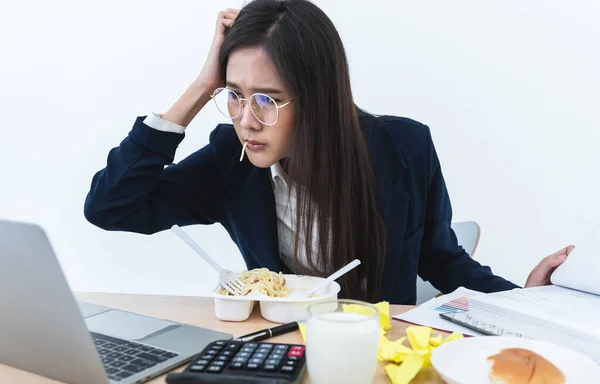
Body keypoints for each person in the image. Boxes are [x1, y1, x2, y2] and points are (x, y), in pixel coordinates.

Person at [83, 0, 573, 304]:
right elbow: (112, 207)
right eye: (233, 94)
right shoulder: (231, 159)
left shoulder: (404, 147)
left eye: (268, 100)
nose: (246, 120)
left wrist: (527, 304)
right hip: (283, 354)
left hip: (377, 356)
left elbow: (442, 260)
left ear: (318, 97)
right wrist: (200, 85)